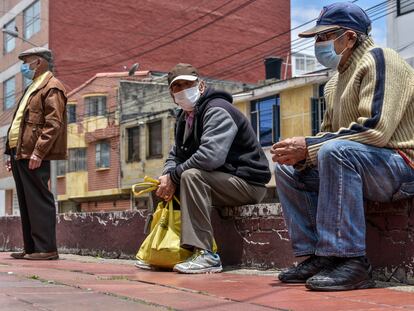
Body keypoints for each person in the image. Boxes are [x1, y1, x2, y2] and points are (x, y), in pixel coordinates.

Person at [272, 2, 414, 291]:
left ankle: (351, 261)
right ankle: (317, 256)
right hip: (364, 164)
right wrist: (300, 153)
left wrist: (309, 146)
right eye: (317, 38)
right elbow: (328, 134)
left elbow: (376, 129)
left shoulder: (381, 60)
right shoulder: (333, 82)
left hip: (401, 163)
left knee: (333, 152)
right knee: (288, 170)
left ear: (349, 37)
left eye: (324, 37)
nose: (318, 44)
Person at [152, 63, 270, 273]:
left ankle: (206, 254)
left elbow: (209, 158)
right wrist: (167, 176)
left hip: (247, 183)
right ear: (171, 94)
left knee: (190, 176)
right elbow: (175, 156)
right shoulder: (184, 119)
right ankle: (163, 249)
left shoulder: (218, 110)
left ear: (201, 85)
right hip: (221, 181)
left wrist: (174, 175)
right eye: (176, 87)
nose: (182, 90)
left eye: (187, 84)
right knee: (162, 184)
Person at [5, 47, 67, 260]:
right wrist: (9, 153)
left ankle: (46, 248)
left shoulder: (52, 87)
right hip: (20, 152)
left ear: (39, 62)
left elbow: (53, 123)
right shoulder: (33, 87)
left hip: (35, 153)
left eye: (27, 62)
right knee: (26, 200)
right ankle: (32, 248)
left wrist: (39, 152)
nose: (25, 67)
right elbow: (20, 122)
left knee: (39, 199)